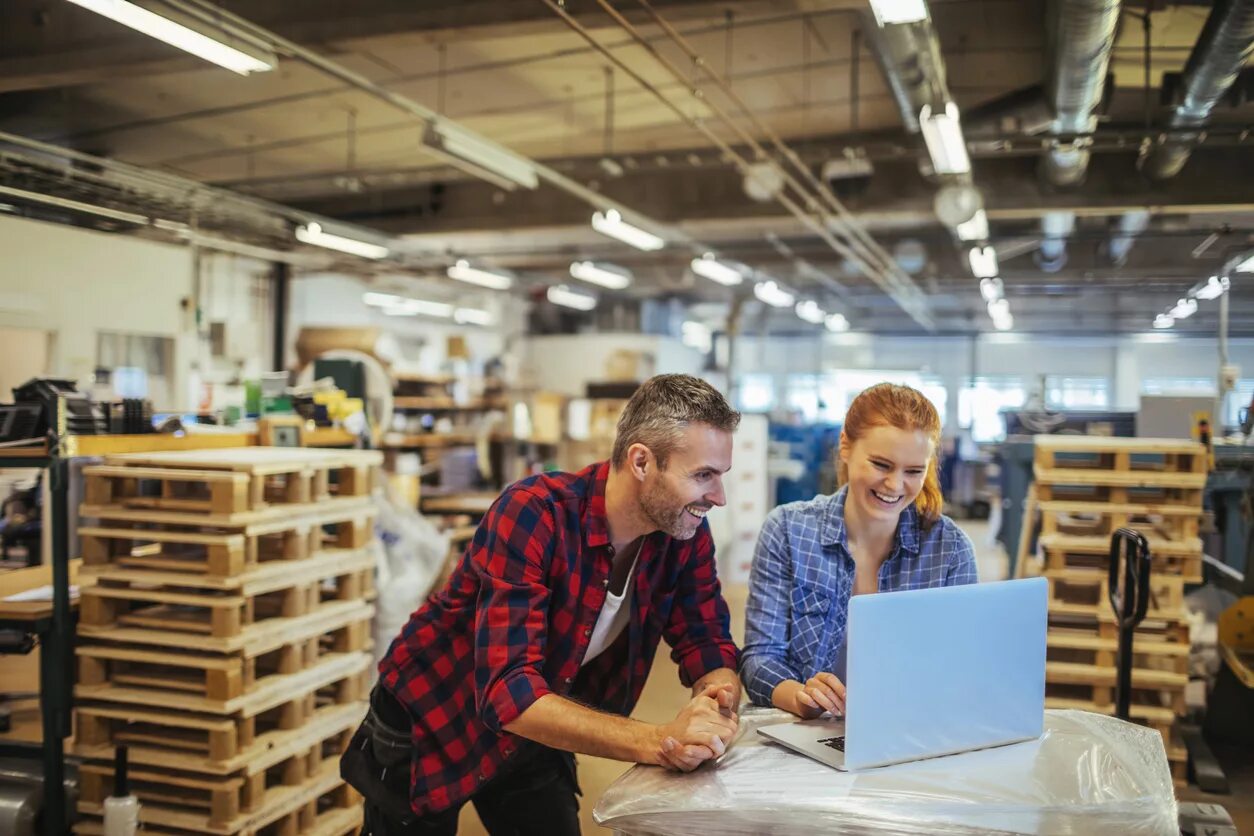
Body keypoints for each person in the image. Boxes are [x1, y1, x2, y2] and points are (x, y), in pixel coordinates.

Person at [345, 374, 744, 835]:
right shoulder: (534, 513)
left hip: (537, 726)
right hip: (433, 715)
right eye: (703, 476)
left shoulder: (682, 530)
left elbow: (705, 635)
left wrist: (717, 696)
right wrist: (660, 740)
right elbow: (508, 693)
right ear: (641, 462)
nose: (718, 497)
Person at [740, 382, 977, 719]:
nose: (895, 486)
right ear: (846, 446)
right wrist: (801, 698)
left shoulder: (950, 550)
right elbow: (759, 658)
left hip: (908, 728)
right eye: (881, 465)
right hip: (807, 731)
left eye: (913, 471)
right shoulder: (787, 531)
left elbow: (961, 667)